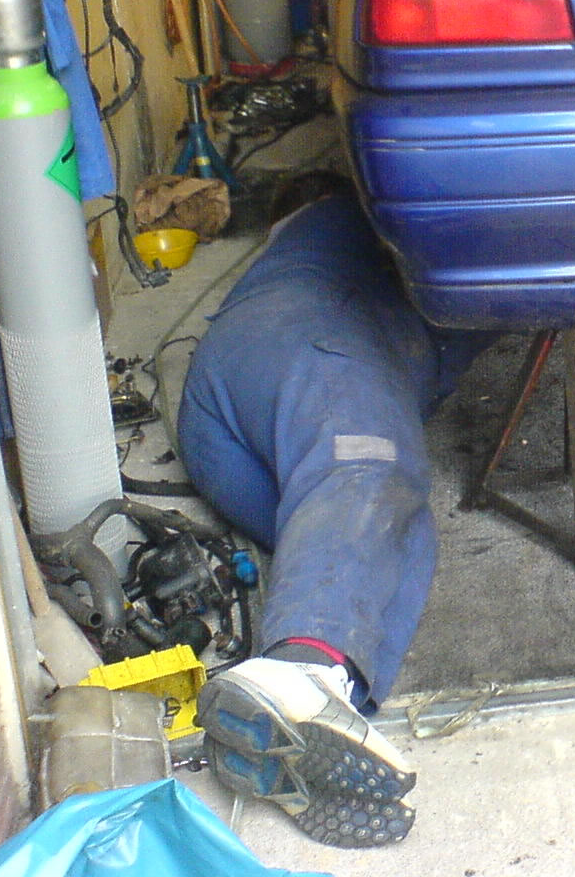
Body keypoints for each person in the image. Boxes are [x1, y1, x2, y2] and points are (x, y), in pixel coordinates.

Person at [180, 170, 496, 847]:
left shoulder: (287, 264)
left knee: (397, 532)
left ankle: (316, 716)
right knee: (365, 470)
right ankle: (301, 668)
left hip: (222, 432)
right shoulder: (344, 220)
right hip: (305, 342)